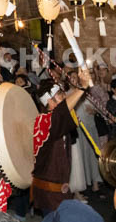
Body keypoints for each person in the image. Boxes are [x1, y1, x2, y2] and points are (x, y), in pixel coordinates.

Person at [30, 65, 91, 214]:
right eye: (60, 94)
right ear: (49, 101)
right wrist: (82, 87)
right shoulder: (43, 121)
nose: (65, 96)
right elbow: (60, 112)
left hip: (60, 190)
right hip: (49, 192)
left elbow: (62, 111)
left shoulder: (56, 119)